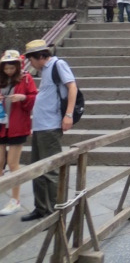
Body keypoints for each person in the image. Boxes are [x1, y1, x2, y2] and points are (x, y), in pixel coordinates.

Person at [21, 39, 78, 221]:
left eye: (31, 60)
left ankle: (54, 213)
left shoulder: (57, 64)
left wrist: (68, 115)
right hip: (41, 126)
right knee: (37, 169)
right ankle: (41, 207)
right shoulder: (45, 70)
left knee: (50, 171)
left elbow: (72, 87)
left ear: (39, 57)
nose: (31, 64)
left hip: (50, 125)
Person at [0, 50, 38, 215]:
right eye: (6, 68)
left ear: (17, 66)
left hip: (17, 125)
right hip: (1, 125)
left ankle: (15, 200)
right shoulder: (1, 79)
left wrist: (23, 98)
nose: (9, 71)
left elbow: (34, 98)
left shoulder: (26, 78)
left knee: (13, 163)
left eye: (11, 68)